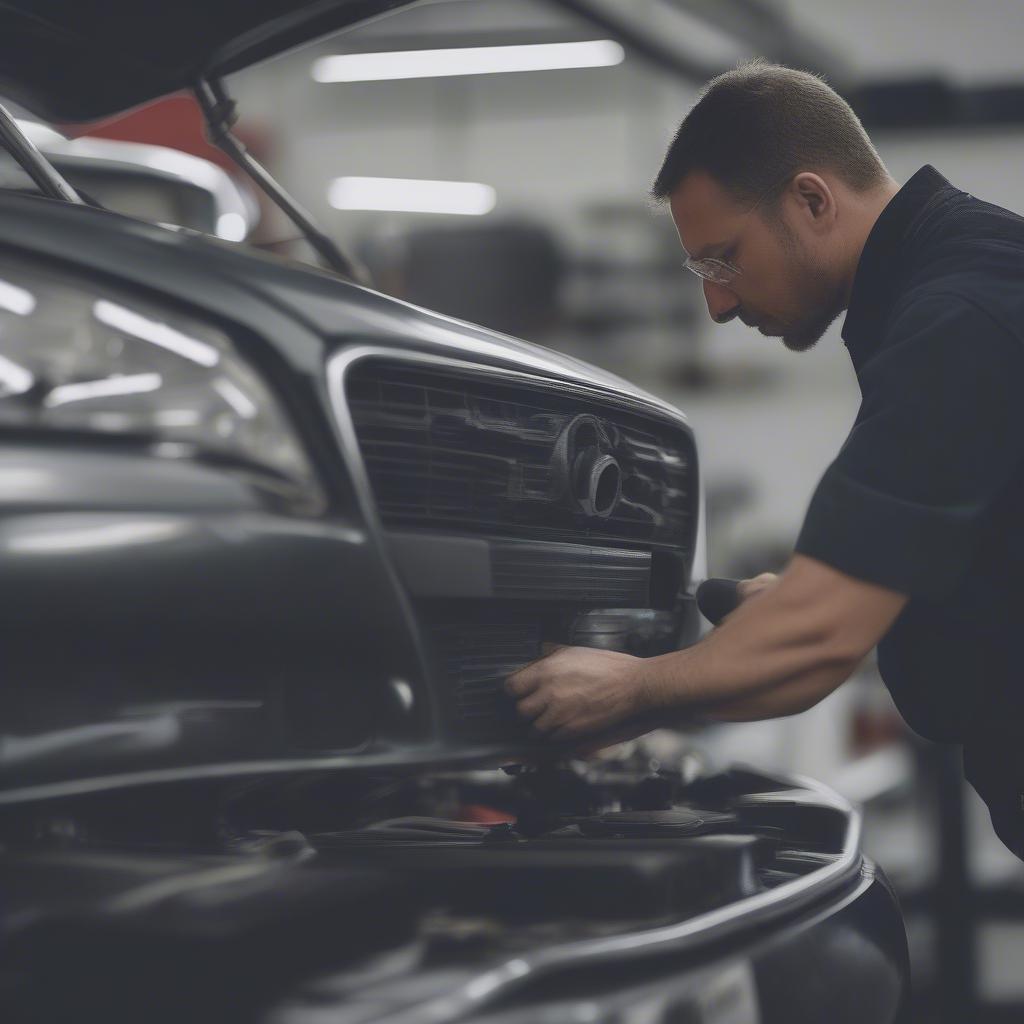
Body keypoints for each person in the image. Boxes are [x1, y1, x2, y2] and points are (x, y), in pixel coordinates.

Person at [505, 60, 1024, 859]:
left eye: (723, 260)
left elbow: (821, 641)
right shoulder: (964, 276)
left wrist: (630, 690)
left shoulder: (956, 319)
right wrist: (795, 607)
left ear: (812, 200)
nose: (716, 303)